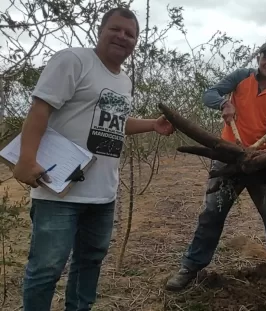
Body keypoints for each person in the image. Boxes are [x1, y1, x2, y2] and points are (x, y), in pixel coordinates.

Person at [13, 7, 175, 311]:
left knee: (90, 263)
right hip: (58, 190)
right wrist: (26, 159)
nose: (122, 37)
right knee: (46, 269)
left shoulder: (124, 82)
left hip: (102, 195)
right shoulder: (74, 61)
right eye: (116, 29)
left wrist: (152, 125)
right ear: (101, 30)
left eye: (130, 34)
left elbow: (113, 124)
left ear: (135, 42)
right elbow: (39, 109)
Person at [165, 41, 266, 292]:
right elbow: (209, 93)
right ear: (259, 58)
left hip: (261, 162)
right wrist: (224, 103)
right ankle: (190, 267)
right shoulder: (241, 77)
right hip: (228, 157)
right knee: (211, 215)